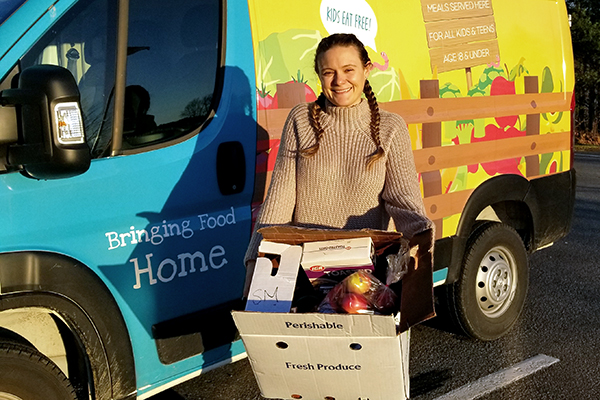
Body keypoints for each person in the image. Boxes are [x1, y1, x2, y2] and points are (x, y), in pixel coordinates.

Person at [243, 33, 434, 296]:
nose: (339, 80)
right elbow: (279, 202)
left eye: (348, 70)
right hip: (304, 274)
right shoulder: (300, 120)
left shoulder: (390, 128)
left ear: (366, 70)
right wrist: (256, 265)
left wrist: (422, 243)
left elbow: (404, 203)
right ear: (319, 76)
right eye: (329, 72)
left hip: (365, 278)